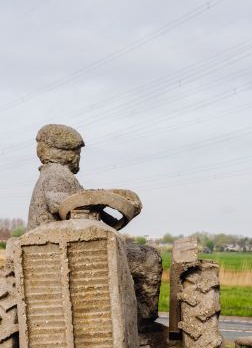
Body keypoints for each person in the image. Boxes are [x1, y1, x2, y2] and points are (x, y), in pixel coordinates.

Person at [27, 123, 162, 328]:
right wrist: (104, 200)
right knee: (149, 258)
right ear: (69, 154)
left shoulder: (52, 175)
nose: (78, 157)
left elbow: (82, 204)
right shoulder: (57, 176)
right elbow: (62, 204)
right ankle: (141, 322)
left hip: (56, 248)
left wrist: (108, 201)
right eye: (77, 152)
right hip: (69, 252)